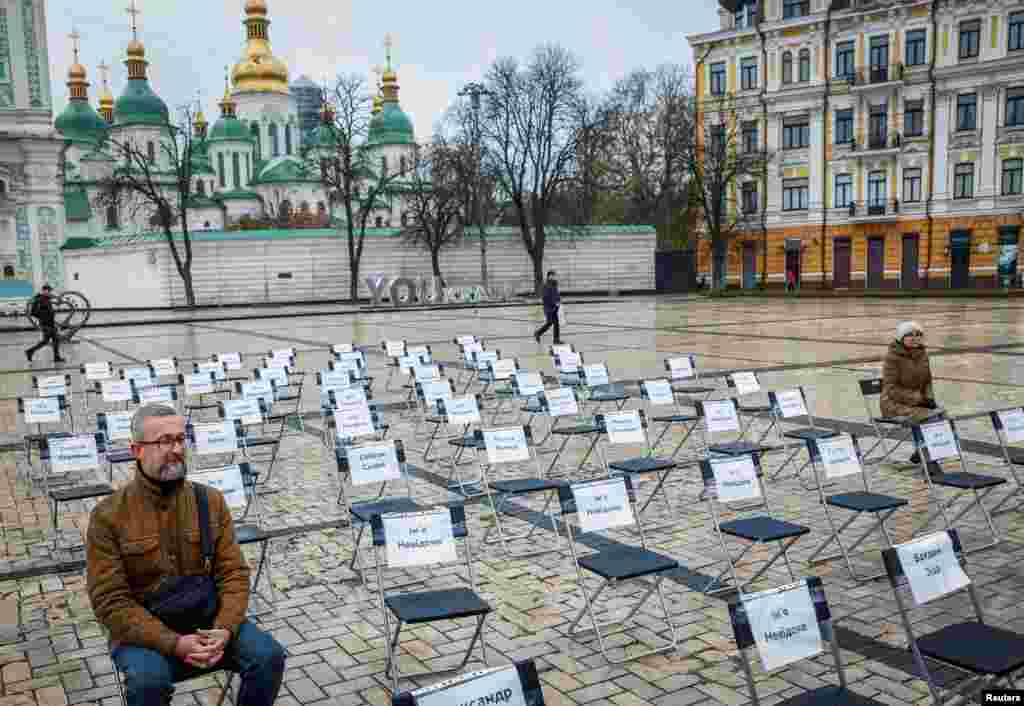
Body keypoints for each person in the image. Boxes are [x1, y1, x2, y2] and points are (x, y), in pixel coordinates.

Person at [86, 404, 286, 706]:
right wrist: (174, 644)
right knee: (148, 684)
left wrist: (224, 628)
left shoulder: (209, 501)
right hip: (144, 633)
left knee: (269, 657)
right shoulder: (109, 516)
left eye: (181, 439)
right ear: (136, 449)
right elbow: (110, 600)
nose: (177, 449)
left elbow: (233, 572)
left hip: (206, 620)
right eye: (164, 441)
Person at [881, 321, 944, 473]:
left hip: (917, 402)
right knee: (929, 418)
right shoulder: (892, 358)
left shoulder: (922, 354)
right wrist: (919, 399)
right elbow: (891, 389)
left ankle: (922, 452)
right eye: (910, 334)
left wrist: (929, 399)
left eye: (918, 334)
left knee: (942, 414)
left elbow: (927, 382)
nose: (915, 338)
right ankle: (930, 462)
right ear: (901, 338)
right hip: (893, 403)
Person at [25, 284, 64, 363]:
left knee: (52, 340)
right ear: (44, 290)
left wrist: (57, 299)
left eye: (50, 291)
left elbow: (57, 300)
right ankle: (30, 351)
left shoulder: (46, 298)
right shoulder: (38, 299)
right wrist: (44, 316)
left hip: (51, 323)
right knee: (49, 340)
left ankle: (56, 357)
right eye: (48, 291)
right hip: (45, 324)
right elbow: (33, 312)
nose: (50, 292)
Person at [534, 270, 562, 345]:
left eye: (555, 276)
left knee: (556, 323)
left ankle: (556, 339)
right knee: (549, 323)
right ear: (549, 276)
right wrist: (554, 303)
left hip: (555, 307)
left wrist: (559, 301)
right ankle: (538, 333)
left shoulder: (554, 284)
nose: (554, 277)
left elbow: (556, 294)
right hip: (549, 308)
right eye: (553, 276)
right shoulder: (546, 285)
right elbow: (546, 297)